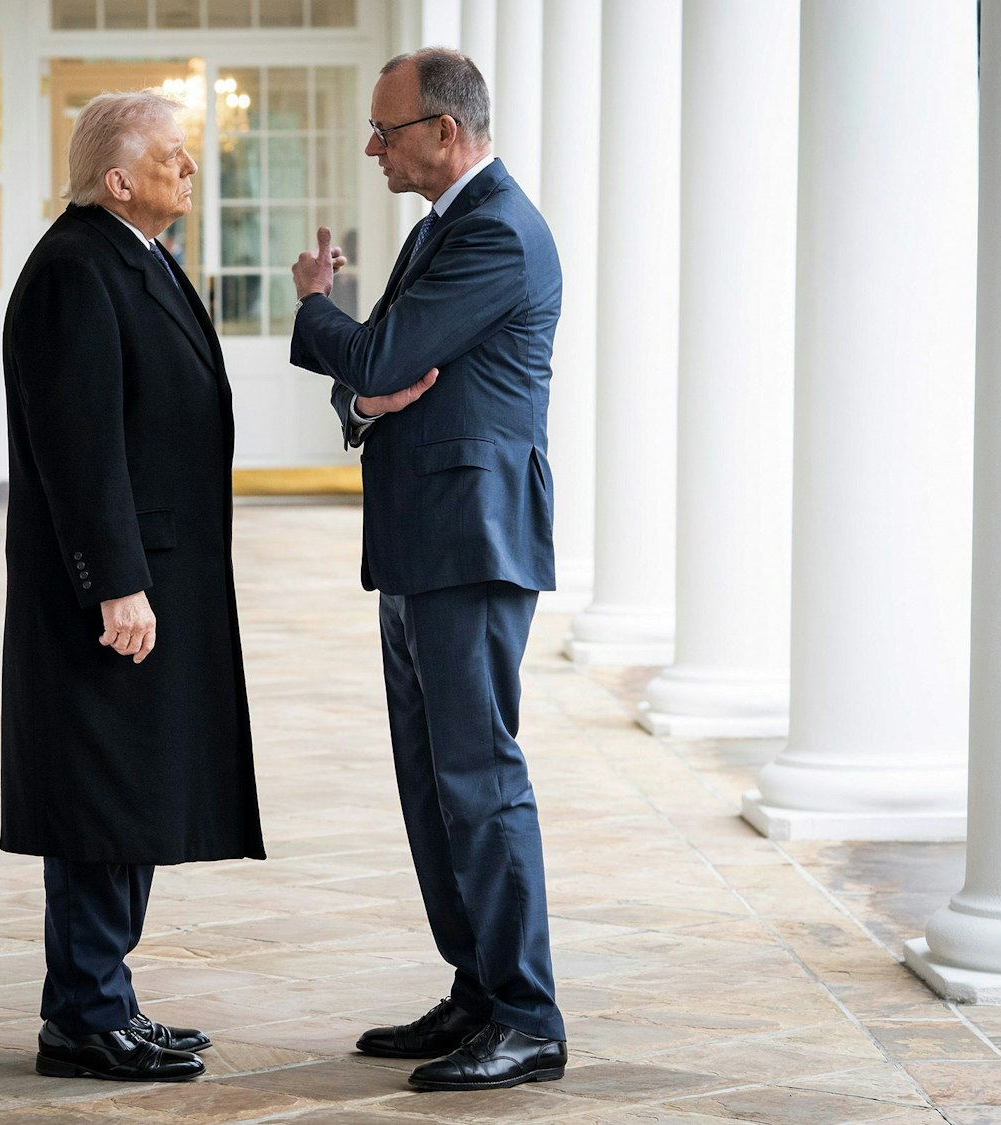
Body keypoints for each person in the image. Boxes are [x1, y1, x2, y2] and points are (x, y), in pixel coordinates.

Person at [287, 47, 567, 1092]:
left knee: (479, 781)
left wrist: (317, 306)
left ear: (444, 131)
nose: (373, 147)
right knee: (430, 783)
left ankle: (528, 1017)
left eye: (386, 130)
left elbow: (373, 356)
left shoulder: (493, 229)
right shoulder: (442, 227)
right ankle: (476, 987)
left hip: (471, 541)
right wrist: (362, 394)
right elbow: (373, 384)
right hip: (420, 541)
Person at [0, 90, 264, 1084]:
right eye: (172, 156)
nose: (190, 168)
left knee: (131, 791)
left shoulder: (133, 256)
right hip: (112, 593)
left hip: (158, 575)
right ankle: (81, 1017)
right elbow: (80, 448)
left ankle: (104, 998)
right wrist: (115, 584)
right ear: (117, 179)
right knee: (99, 796)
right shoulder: (75, 268)